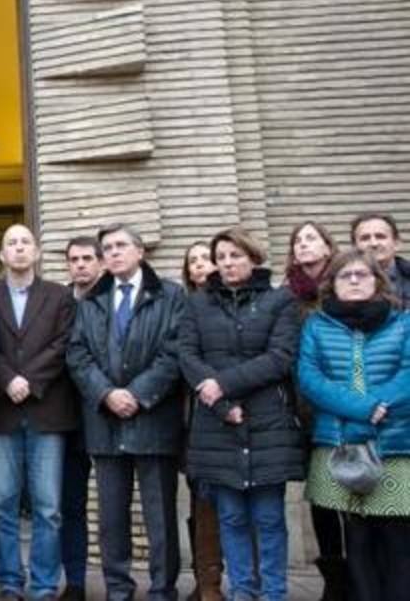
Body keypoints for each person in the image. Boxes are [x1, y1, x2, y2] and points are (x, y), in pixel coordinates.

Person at [180, 227, 303, 601]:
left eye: (236, 256)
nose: (228, 263)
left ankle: (274, 593)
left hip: (267, 422)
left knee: (268, 518)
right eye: (222, 258)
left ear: (253, 257)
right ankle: (243, 592)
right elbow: (187, 355)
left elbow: (280, 357)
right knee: (230, 518)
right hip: (216, 426)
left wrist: (224, 384)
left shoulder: (280, 300)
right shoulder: (197, 303)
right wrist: (219, 402)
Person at [67, 223, 184, 601]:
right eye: (107, 248)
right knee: (111, 518)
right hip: (105, 422)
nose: (112, 253)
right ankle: (118, 589)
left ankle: (163, 590)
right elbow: (77, 354)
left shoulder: (170, 295)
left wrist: (136, 393)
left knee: (159, 517)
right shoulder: (91, 302)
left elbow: (174, 351)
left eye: (120, 246)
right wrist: (106, 394)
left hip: (153, 418)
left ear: (140, 252)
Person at [298, 249, 410, 601]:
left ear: (378, 282)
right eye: (346, 276)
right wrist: (364, 408)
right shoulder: (316, 325)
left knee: (397, 537)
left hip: (394, 445)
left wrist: (381, 405)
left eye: (363, 274)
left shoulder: (403, 322)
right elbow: (309, 377)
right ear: (332, 285)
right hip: (339, 445)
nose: (355, 280)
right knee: (356, 537)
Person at [0, 225, 76, 601]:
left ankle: (42, 585)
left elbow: (63, 344)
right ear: (2, 255)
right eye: (12, 243)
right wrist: (8, 379)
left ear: (37, 252)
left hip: (47, 411)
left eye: (26, 242)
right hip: (2, 412)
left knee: (48, 507)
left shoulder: (60, 297)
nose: (19, 248)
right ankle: (10, 581)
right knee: (2, 503)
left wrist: (29, 379)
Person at [282, 221, 346, 598]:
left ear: (327, 245)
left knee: (357, 493)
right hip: (306, 412)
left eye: (311, 238)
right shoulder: (287, 295)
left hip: (347, 408)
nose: (303, 245)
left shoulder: (348, 284)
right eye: (297, 241)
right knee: (322, 497)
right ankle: (335, 582)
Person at [178, 241, 223, 601]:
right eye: (192, 261)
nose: (200, 266)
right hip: (195, 419)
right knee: (201, 500)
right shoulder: (182, 308)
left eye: (205, 258)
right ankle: (206, 580)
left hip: (236, 412)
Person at [58, 236, 101, 601]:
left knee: (114, 506)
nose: (81, 265)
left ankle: (119, 580)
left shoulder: (113, 300)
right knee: (70, 506)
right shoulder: (58, 302)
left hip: (111, 415)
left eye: (88, 258)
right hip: (67, 420)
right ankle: (75, 581)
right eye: (74, 259)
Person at [351, 213, 410, 306]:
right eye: (365, 238)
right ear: (354, 247)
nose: (373, 243)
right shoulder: (342, 283)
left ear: (397, 244)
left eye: (380, 237)